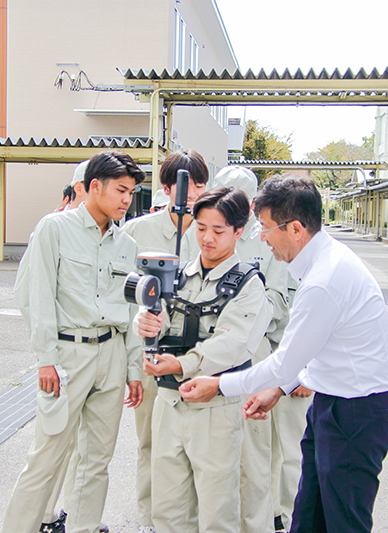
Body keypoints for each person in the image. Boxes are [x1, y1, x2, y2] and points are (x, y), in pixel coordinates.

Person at [180, 174, 388, 533]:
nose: (262, 238)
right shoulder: (323, 262)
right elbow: (315, 349)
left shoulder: (324, 281)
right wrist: (279, 389)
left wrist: (218, 385)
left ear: (295, 229)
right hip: (334, 404)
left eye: (266, 228)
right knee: (308, 517)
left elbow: (283, 363)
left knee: (343, 523)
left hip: (355, 413)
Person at [4, 150, 146, 533]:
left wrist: (134, 369)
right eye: (120, 190)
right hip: (68, 356)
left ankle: (84, 527)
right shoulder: (54, 228)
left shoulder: (126, 245)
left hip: (112, 354)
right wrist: (45, 358)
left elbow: (132, 312)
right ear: (94, 186)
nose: (126, 200)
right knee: (46, 457)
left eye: (131, 193)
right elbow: (37, 295)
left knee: (96, 460)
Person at [136, 186, 273, 533]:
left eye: (218, 230)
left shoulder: (249, 285)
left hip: (215, 408)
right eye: (200, 228)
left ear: (239, 231)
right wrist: (147, 324)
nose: (207, 238)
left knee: (217, 512)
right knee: (168, 510)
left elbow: (234, 344)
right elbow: (158, 315)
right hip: (169, 402)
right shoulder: (177, 275)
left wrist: (182, 364)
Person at [211, 166, 312, 533]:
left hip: (280, 352)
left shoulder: (270, 238)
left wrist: (303, 369)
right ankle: (264, 515)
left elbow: (287, 305)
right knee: (250, 449)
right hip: (238, 355)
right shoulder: (216, 234)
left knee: (287, 449)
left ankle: (288, 518)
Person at [121, 149, 209, 533]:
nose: (193, 193)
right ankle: (149, 519)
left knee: (197, 449)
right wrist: (133, 360)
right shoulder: (137, 232)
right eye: (186, 185)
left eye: (201, 185)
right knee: (150, 443)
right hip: (150, 356)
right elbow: (121, 295)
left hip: (197, 360)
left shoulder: (210, 231)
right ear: (166, 187)